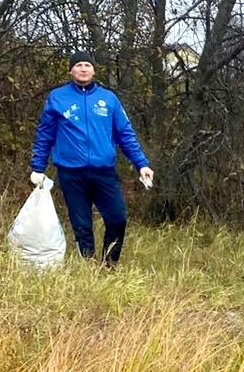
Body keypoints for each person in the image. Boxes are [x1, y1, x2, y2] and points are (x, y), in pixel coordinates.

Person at [29, 51, 154, 266]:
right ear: (71, 70)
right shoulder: (57, 97)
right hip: (71, 173)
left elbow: (125, 134)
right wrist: (38, 167)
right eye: (78, 65)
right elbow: (45, 135)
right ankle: (87, 266)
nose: (83, 69)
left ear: (94, 70)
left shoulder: (108, 99)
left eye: (87, 65)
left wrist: (141, 163)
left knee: (117, 218)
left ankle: (109, 264)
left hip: (103, 171)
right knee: (82, 225)